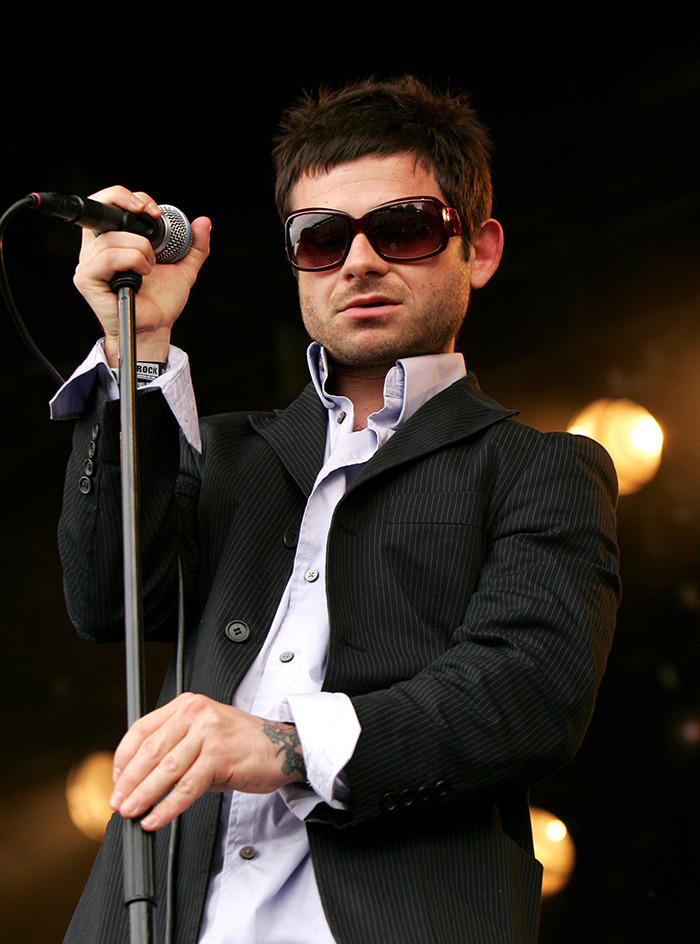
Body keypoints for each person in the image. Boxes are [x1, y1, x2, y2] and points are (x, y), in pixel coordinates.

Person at [53, 76, 620, 944]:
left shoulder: (538, 468)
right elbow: (106, 602)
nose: (360, 260)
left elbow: (528, 693)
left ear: (480, 249)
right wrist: (138, 344)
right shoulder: (221, 451)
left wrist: (285, 745)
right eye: (321, 238)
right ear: (296, 266)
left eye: (402, 229)